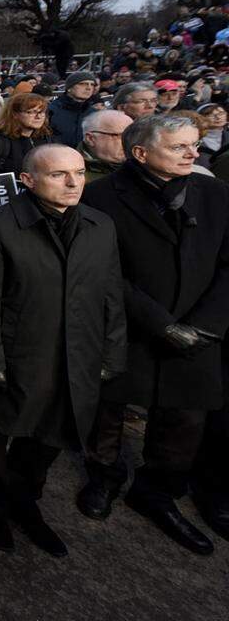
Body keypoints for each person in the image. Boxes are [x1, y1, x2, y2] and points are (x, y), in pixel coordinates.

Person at [78, 115, 229, 555]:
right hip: (130, 326)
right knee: (108, 411)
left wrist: (208, 325)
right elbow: (102, 269)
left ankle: (157, 492)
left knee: (184, 419)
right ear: (141, 153)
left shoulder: (215, 194)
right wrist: (160, 323)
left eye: (194, 145)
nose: (192, 154)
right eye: (179, 147)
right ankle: (103, 478)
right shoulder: (100, 197)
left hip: (201, 331)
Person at [0, 145, 126, 558]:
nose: (74, 183)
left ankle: (26, 502)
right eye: (59, 175)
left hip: (78, 356)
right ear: (28, 180)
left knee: (50, 436)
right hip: (20, 356)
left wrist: (112, 353)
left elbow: (111, 293)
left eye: (78, 173)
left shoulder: (100, 225)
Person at [0, 92, 57, 176]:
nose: (38, 117)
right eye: (31, 112)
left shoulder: (48, 139)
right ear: (15, 114)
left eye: (41, 112)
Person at [78, 109, 133, 183]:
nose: (130, 141)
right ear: (91, 139)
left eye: (132, 135)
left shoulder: (143, 164)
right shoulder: (74, 174)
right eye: (121, 136)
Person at [48, 71, 99, 147]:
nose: (88, 88)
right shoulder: (51, 110)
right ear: (69, 88)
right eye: (82, 84)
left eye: (92, 85)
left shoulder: (95, 114)